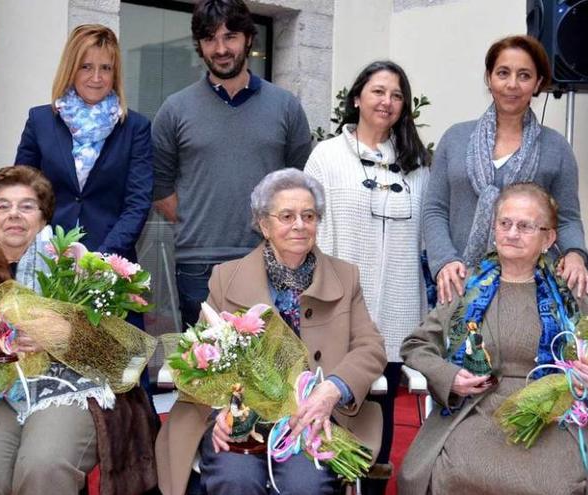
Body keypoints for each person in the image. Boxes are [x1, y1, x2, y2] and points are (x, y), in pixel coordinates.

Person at [0, 167, 158, 495]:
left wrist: (65, 336)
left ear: (43, 216)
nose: (14, 215)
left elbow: (122, 353)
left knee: (43, 468)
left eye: (27, 206)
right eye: (3, 206)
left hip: (66, 388)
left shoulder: (77, 264)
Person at [155, 169, 386, 495]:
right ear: (264, 225)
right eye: (287, 216)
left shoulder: (344, 277)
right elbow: (201, 360)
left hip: (311, 420)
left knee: (306, 484)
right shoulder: (226, 277)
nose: (299, 225)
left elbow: (370, 346)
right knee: (235, 479)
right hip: (240, 420)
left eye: (309, 215)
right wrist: (222, 413)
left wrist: (333, 389)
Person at [398, 182, 588, 495]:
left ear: (549, 237)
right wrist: (450, 378)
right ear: (493, 230)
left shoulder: (577, 290)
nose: (512, 233)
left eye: (525, 226)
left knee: (554, 484)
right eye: (504, 223)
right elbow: (416, 345)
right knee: (457, 472)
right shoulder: (467, 285)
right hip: (477, 409)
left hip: (557, 415)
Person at [152, 0, 312, 330]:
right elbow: (160, 186)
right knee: (203, 366)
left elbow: (301, 184)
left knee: (271, 367)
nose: (221, 48)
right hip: (198, 263)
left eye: (231, 37)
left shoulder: (286, 107)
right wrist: (199, 219)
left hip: (272, 258)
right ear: (199, 45)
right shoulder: (175, 109)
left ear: (249, 39)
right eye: (210, 39)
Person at [304, 60, 431, 474]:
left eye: (396, 95)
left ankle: (371, 481)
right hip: (338, 308)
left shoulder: (417, 165)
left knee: (378, 410)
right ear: (356, 97)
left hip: (395, 307)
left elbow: (429, 234)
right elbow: (306, 227)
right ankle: (323, 480)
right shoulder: (326, 156)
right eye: (378, 91)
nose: (387, 101)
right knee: (331, 402)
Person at [424, 34, 588, 306]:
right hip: (459, 283)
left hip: (528, 289)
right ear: (489, 78)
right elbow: (434, 209)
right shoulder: (455, 138)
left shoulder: (556, 147)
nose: (512, 84)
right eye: (503, 73)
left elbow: (568, 218)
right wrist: (445, 261)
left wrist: (575, 254)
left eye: (524, 75)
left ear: (538, 83)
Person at [15, 24, 153, 264]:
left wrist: (101, 258)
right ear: (71, 69)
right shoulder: (40, 121)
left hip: (110, 264)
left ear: (116, 73)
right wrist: (45, 246)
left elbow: (138, 204)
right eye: (86, 67)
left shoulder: (135, 128)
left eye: (106, 68)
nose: (97, 78)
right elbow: (22, 191)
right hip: (45, 259)